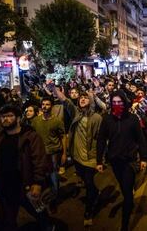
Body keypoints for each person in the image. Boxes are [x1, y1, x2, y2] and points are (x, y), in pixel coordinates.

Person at [0, 104, 51, 231]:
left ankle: (49, 226)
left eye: (10, 116)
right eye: (3, 117)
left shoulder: (30, 137)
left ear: (18, 118)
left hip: (26, 184)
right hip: (5, 185)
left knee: (39, 212)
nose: (5, 119)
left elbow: (39, 160)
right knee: (7, 219)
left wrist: (38, 182)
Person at [96, 91, 147, 231]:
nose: (117, 105)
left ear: (124, 103)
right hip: (114, 161)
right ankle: (128, 197)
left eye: (120, 102)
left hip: (129, 161)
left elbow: (141, 139)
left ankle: (125, 224)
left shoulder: (132, 119)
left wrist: (144, 158)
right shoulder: (107, 119)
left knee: (127, 193)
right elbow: (101, 140)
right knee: (124, 187)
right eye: (114, 102)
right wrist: (99, 160)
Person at [54, 87, 102, 227]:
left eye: (85, 97)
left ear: (91, 100)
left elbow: (101, 139)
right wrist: (53, 89)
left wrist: (100, 159)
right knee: (84, 179)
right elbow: (66, 101)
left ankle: (89, 210)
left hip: (91, 157)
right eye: (80, 97)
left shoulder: (97, 118)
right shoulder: (76, 113)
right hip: (76, 156)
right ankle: (95, 192)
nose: (82, 99)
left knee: (88, 182)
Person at [31, 97, 67, 213]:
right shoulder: (36, 121)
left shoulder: (57, 121)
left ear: (51, 106)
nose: (45, 106)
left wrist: (64, 153)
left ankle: (53, 200)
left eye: (47, 104)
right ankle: (44, 200)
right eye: (43, 104)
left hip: (53, 153)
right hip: (40, 153)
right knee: (42, 177)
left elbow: (63, 137)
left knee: (53, 176)